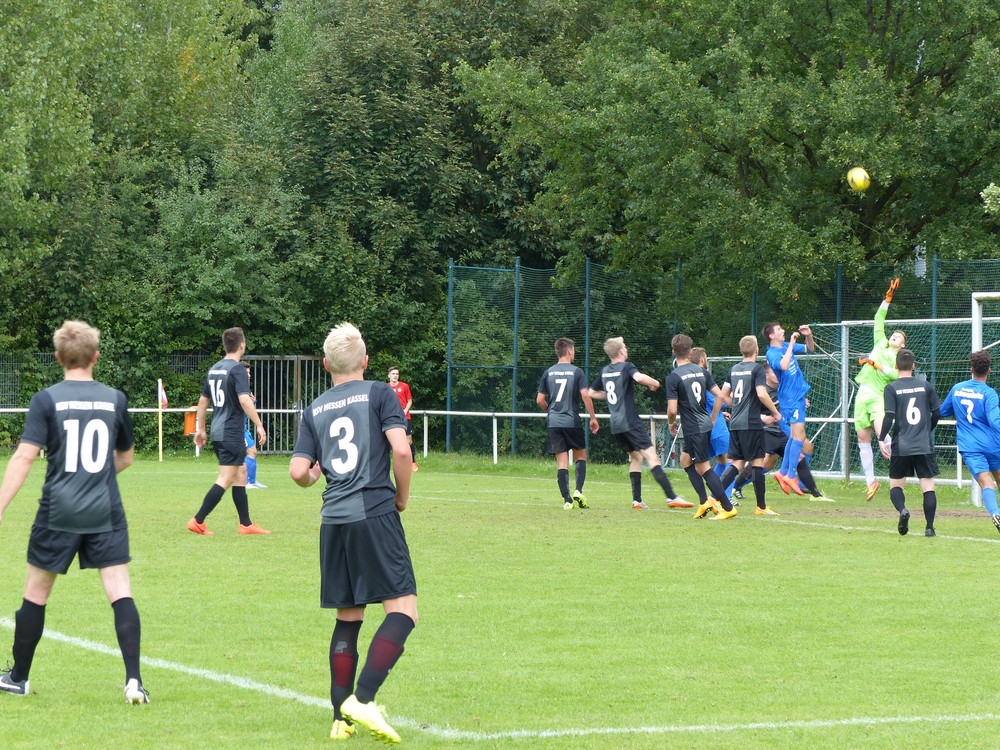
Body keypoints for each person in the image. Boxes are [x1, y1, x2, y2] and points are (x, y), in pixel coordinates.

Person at [0, 320, 148, 703]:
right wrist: (94, 476)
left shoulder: (46, 400)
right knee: (120, 592)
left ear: (57, 358)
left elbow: (24, 457)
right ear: (96, 357)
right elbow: (126, 458)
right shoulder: (115, 398)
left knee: (36, 593)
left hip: (58, 511)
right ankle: (134, 680)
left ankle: (18, 678)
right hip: (105, 509)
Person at [289, 322, 415, 744]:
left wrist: (315, 476)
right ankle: (363, 698)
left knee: (348, 616)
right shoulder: (380, 393)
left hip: (333, 521)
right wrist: (401, 497)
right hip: (374, 513)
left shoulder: (315, 408)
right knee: (403, 610)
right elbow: (401, 449)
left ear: (326, 366)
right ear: (365, 361)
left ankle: (340, 719)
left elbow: (298, 472)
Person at [588, 337, 688, 509]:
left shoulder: (605, 371)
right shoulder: (627, 367)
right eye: (625, 347)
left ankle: (637, 500)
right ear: (621, 351)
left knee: (636, 457)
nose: (626, 349)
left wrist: (612, 396)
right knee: (652, 457)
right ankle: (672, 497)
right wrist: (654, 383)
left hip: (616, 424)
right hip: (630, 421)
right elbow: (639, 378)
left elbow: (591, 393)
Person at [188, 327, 269, 536]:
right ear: (242, 345)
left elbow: (203, 401)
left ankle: (246, 524)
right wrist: (259, 424)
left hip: (218, 430)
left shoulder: (215, 369)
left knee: (241, 473)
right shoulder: (237, 369)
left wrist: (201, 429)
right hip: (231, 431)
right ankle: (198, 521)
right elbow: (244, 400)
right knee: (226, 478)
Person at [664, 334, 737, 520]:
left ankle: (728, 507)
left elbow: (672, 409)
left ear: (673, 352)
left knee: (704, 468)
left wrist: (671, 423)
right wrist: (714, 417)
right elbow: (720, 395)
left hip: (694, 427)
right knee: (685, 460)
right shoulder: (702, 372)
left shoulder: (673, 377)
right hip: (703, 424)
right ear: (690, 351)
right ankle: (704, 502)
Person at [732, 365, 827, 500]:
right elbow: (743, 408)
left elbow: (790, 400)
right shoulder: (760, 390)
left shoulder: (782, 388)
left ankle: (813, 492)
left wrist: (800, 401)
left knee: (800, 454)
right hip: (764, 431)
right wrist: (762, 417)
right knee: (763, 462)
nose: (778, 375)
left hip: (779, 431)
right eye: (774, 372)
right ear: (766, 375)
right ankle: (736, 487)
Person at [877, 349, 941, 536]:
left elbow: (889, 416)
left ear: (896, 366)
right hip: (923, 444)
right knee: (928, 487)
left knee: (896, 486)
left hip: (902, 444)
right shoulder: (925, 386)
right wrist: (927, 429)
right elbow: (937, 413)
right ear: (913, 365)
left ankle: (903, 510)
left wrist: (881, 439)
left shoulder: (891, 388)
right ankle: (929, 528)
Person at [717, 336, 783, 515]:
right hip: (751, 423)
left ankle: (713, 498)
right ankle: (761, 507)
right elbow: (761, 394)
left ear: (741, 351)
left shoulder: (733, 369)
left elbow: (723, 395)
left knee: (737, 463)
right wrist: (776, 412)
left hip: (736, 423)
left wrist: (736, 407)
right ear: (756, 350)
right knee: (758, 462)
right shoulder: (757, 369)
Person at [938, 350, 1000, 535]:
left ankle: (996, 513)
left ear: (971, 369)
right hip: (992, 444)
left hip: (970, 446)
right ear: (989, 370)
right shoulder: (989, 393)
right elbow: (994, 421)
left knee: (986, 481)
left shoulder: (957, 389)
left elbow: (942, 411)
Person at [855, 278, 905, 502]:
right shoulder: (880, 342)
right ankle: (871, 482)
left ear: (902, 345)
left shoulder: (898, 357)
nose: (895, 336)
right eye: (894, 334)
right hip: (862, 393)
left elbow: (894, 374)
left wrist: (875, 364)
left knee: (881, 435)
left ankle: (901, 469)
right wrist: (888, 298)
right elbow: (878, 319)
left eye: (899, 337)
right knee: (862, 438)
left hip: (877, 396)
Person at [536, 338, 600, 509]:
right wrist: (593, 418)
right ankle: (578, 490)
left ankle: (567, 500)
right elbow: (585, 395)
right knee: (581, 457)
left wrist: (551, 412)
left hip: (554, 423)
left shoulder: (548, 372)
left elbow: (540, 400)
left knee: (562, 464)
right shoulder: (577, 372)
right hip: (572, 421)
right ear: (570, 351)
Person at [764, 320, 815, 495]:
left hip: (797, 396)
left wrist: (809, 335)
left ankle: (783, 472)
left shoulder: (785, 346)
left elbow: (810, 349)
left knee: (795, 437)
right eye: (779, 329)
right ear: (771, 335)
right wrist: (792, 344)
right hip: (790, 398)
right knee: (799, 437)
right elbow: (784, 366)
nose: (783, 331)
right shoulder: (772, 353)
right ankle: (790, 475)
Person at [691, 347, 734, 500]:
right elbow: (716, 399)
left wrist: (720, 412)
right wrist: (730, 395)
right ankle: (725, 497)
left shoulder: (690, 378)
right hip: (716, 427)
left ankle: (713, 495)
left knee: (721, 461)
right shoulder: (704, 377)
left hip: (701, 426)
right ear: (702, 359)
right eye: (706, 357)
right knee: (732, 462)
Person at [388, 366, 418, 472]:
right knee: (390, 441)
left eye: (397, 374)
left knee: (408, 440)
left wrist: (405, 410)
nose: (395, 376)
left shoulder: (404, 386)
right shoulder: (386, 388)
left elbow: (409, 400)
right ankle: (392, 463)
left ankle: (413, 462)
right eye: (393, 374)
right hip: (391, 418)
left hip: (405, 417)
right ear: (389, 375)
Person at [242, 362, 266, 490]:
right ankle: (246, 483)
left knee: (253, 452)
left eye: (249, 372)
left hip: (243, 427)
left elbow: (247, 407)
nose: (249, 375)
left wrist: (252, 402)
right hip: (237, 428)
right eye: (247, 373)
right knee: (251, 451)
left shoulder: (244, 388)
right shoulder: (237, 388)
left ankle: (252, 481)